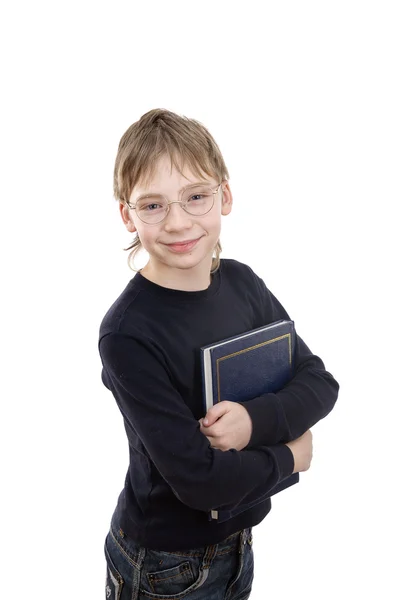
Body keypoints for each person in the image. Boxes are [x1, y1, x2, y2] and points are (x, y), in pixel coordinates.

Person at [99, 108, 339, 600]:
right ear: (127, 214)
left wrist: (253, 422)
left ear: (224, 196)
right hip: (164, 564)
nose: (178, 221)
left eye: (195, 197)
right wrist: (290, 456)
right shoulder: (127, 334)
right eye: (153, 206)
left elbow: (318, 382)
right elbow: (200, 483)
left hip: (239, 541)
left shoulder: (244, 284)